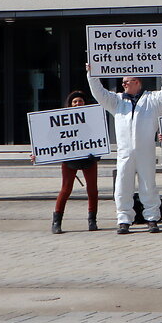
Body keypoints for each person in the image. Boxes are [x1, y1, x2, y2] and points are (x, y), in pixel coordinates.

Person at [87, 60, 162, 234]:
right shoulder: (117, 101)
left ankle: (151, 218)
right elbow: (99, 94)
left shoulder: (152, 99)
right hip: (125, 152)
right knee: (122, 185)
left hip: (146, 151)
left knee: (148, 184)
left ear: (137, 82)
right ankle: (124, 219)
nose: (123, 84)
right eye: (122, 82)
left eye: (126, 81)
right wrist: (91, 75)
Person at [45, 91, 101, 234]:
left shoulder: (92, 118)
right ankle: (56, 222)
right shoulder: (62, 121)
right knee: (65, 190)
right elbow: (51, 140)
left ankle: (92, 220)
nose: (78, 104)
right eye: (75, 101)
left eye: (80, 101)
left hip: (88, 158)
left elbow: (98, 135)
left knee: (92, 190)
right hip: (70, 159)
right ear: (70, 104)